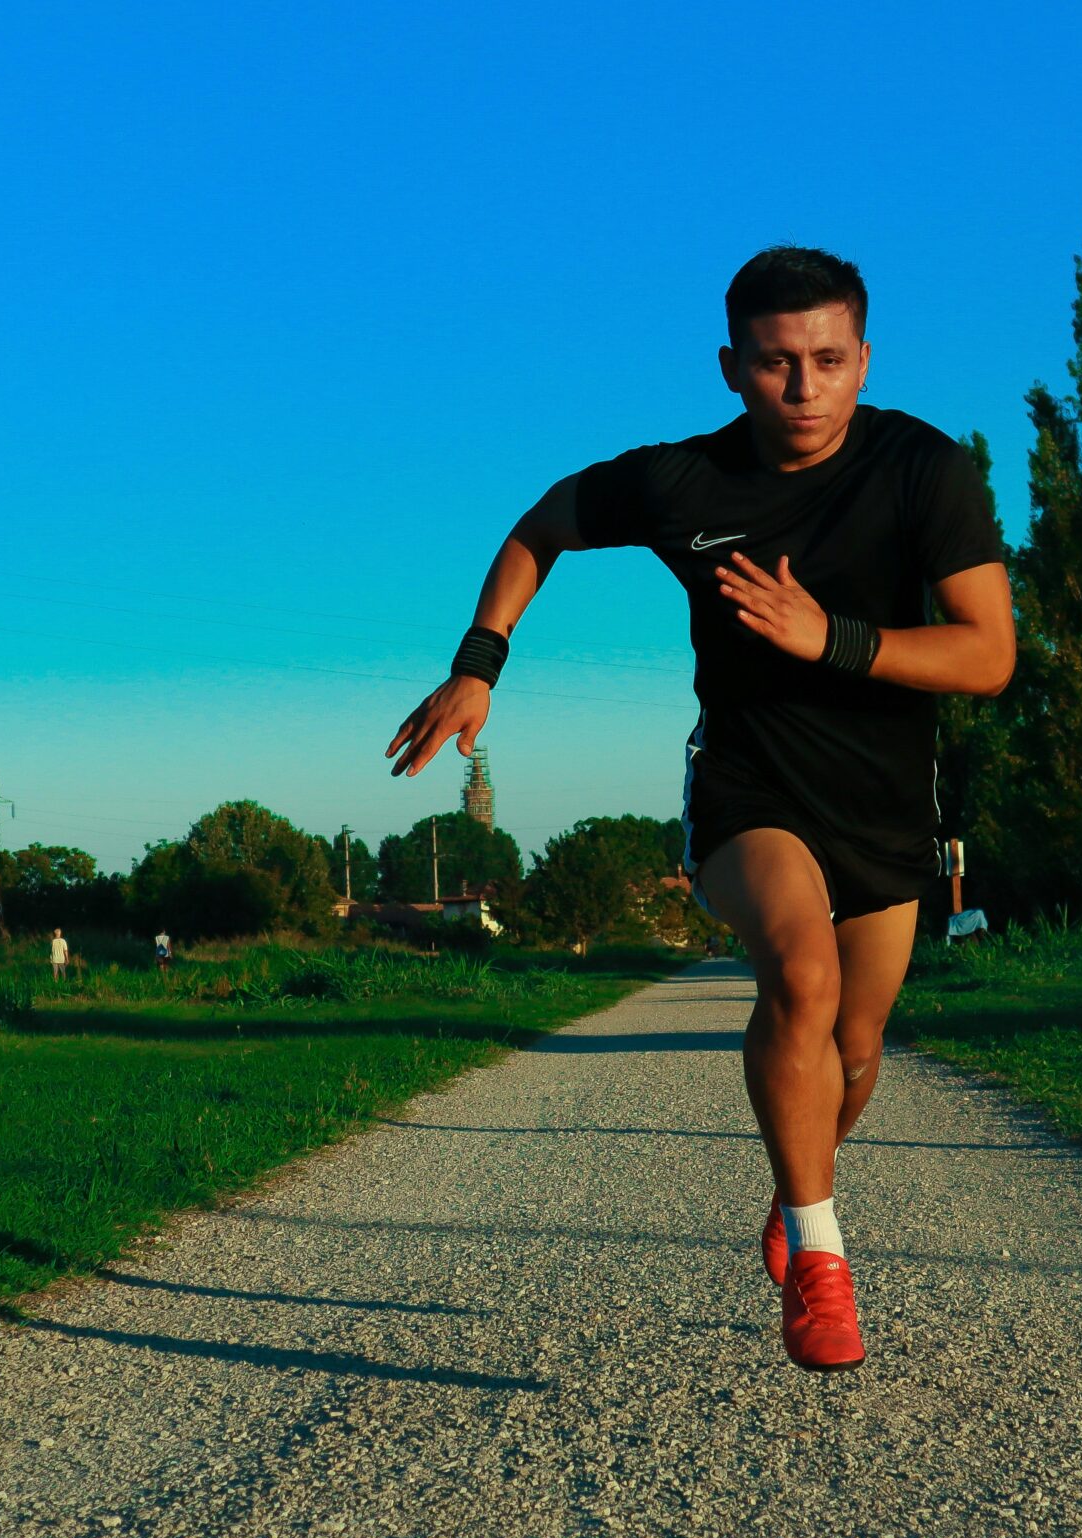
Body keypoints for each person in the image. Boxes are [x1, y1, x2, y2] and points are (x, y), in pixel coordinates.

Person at [385, 247, 1013, 1372]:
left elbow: (988, 653)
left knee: (857, 1050)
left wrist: (833, 638)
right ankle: (820, 1258)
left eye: (828, 360)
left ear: (863, 359)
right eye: (776, 363)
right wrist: (480, 661)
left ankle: (796, 1186)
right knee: (798, 977)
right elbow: (545, 522)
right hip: (748, 786)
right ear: (732, 367)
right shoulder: (686, 484)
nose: (804, 387)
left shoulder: (923, 470)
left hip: (880, 802)